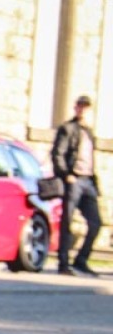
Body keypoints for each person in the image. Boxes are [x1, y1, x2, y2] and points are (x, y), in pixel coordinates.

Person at [51, 95, 103, 277]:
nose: (82, 110)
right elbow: (57, 154)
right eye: (80, 106)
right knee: (67, 221)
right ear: (75, 108)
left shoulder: (88, 132)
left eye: (86, 107)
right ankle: (63, 263)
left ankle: (81, 260)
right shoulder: (67, 128)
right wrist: (66, 175)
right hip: (74, 180)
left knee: (96, 222)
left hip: (88, 181)